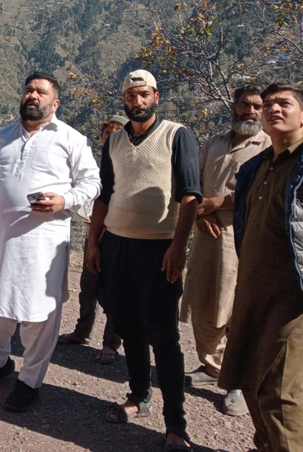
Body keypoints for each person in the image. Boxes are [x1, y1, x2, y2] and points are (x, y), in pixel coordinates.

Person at [0, 71, 101, 411]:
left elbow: (92, 183)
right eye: (29, 89)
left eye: (41, 92)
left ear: (54, 103)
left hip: (42, 245)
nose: (33, 95)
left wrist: (64, 201)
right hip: (1, 239)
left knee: (38, 314)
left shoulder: (71, 139)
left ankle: (30, 380)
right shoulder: (3, 137)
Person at [85, 70, 200, 451]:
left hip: (158, 249)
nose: (137, 101)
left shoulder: (176, 135)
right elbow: (104, 196)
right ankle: (138, 395)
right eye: (131, 95)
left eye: (144, 94)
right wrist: (93, 242)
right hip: (117, 245)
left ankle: (176, 424)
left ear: (156, 95)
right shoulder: (115, 141)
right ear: (125, 99)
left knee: (164, 336)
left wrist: (178, 249)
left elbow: (190, 197)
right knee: (126, 324)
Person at [219, 82, 303, 451]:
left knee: (280, 394)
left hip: (292, 298)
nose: (273, 109)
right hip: (252, 289)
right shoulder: (255, 167)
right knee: (249, 380)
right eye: (268, 104)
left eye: (284, 103)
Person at [180, 85, 270, 416]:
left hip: (241, 237)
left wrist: (214, 204)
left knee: (236, 307)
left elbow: (256, 192)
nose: (250, 111)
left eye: (257, 106)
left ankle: (239, 383)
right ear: (234, 105)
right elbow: (192, 183)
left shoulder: (268, 146)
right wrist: (199, 216)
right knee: (203, 302)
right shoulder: (215, 143)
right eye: (244, 104)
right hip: (206, 235)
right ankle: (212, 366)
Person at [57, 115, 127, 364]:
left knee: (115, 290)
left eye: (117, 133)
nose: (111, 138)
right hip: (94, 236)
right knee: (88, 286)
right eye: (108, 133)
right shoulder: (94, 166)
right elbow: (82, 194)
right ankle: (81, 332)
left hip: (119, 238)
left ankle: (111, 343)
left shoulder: (129, 167)